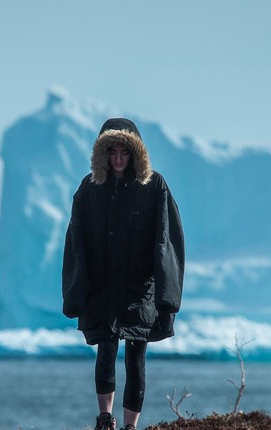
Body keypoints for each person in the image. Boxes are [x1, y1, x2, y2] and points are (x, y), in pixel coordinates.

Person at [62, 118, 185, 430]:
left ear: (135, 154)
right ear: (102, 154)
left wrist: (167, 299)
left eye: (124, 153)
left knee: (135, 358)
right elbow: (76, 241)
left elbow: (166, 240)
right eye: (112, 152)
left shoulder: (154, 186)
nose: (118, 160)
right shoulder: (89, 188)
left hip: (139, 291)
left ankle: (131, 426)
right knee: (105, 350)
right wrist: (76, 292)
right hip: (103, 288)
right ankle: (105, 420)